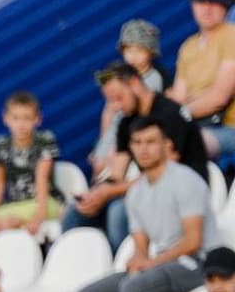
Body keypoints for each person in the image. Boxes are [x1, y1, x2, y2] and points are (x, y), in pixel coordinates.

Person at [73, 116, 217, 292]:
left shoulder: (186, 180)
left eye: (150, 142)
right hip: (162, 263)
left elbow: (193, 242)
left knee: (133, 288)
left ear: (166, 145)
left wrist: (151, 262)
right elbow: (141, 245)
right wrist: (138, 260)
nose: (143, 149)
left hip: (199, 264)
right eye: (137, 143)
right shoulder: (135, 192)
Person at [68, 63, 207, 249]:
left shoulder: (170, 113)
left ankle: (131, 263)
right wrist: (96, 194)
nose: (116, 106)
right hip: (148, 190)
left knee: (118, 212)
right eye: (111, 102)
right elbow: (117, 173)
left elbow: (163, 172)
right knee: (76, 212)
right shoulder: (126, 122)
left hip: (181, 191)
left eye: (119, 98)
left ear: (134, 83)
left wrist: (109, 192)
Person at [0, 91, 61, 244]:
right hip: (16, 206)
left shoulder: (45, 140)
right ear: (5, 118)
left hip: (44, 202)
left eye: (27, 118)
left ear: (37, 119)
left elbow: (42, 179)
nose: (21, 124)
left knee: (7, 225)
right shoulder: (0, 144)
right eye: (15, 118)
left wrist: (39, 217)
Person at [169, 0, 235, 161]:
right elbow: (179, 96)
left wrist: (179, 113)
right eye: (201, 1)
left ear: (226, 5)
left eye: (214, 2)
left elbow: (218, 98)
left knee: (186, 145)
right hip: (197, 124)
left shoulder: (231, 35)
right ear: (192, 4)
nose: (207, 8)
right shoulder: (187, 47)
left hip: (228, 127)